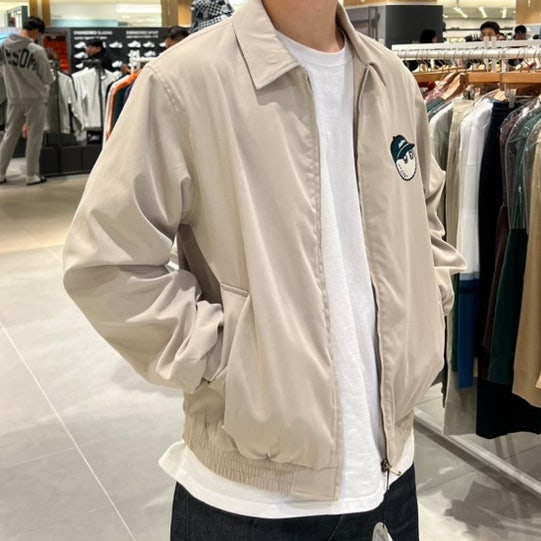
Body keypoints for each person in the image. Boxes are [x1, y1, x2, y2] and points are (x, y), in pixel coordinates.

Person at [63, 0, 465, 539]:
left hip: (392, 472)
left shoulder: (390, 77)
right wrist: (227, 362)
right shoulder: (185, 80)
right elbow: (106, 261)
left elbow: (425, 221)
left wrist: (427, 310)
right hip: (253, 500)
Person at [0, 16, 53, 186]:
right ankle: (31, 175)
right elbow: (47, 78)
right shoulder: (36, 50)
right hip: (35, 98)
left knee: (9, 136)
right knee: (34, 137)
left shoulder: (3, 46)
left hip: (13, 97)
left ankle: (0, 173)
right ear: (36, 31)